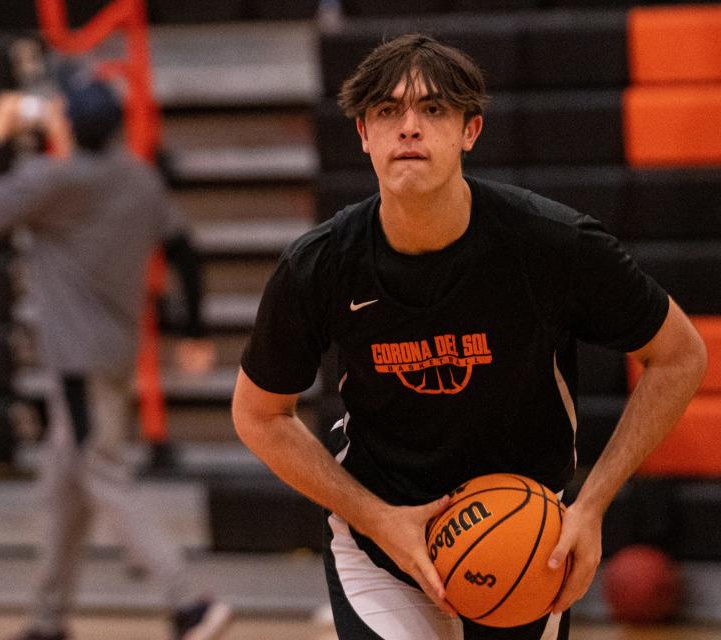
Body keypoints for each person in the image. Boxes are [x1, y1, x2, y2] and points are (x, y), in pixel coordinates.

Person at [232, 34, 707, 640]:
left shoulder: (552, 244)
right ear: (363, 135)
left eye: (432, 110)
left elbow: (678, 356)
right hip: (383, 539)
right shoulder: (320, 266)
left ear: (470, 131)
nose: (408, 128)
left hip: (522, 539)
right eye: (387, 111)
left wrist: (590, 506)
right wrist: (377, 519)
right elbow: (258, 415)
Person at [0, 71, 232, 640]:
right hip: (112, 354)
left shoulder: (55, 182)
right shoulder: (140, 180)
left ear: (70, 124)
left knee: (103, 474)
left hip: (76, 361)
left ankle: (189, 602)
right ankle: (47, 620)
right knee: (64, 487)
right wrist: (193, 330)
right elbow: (186, 252)